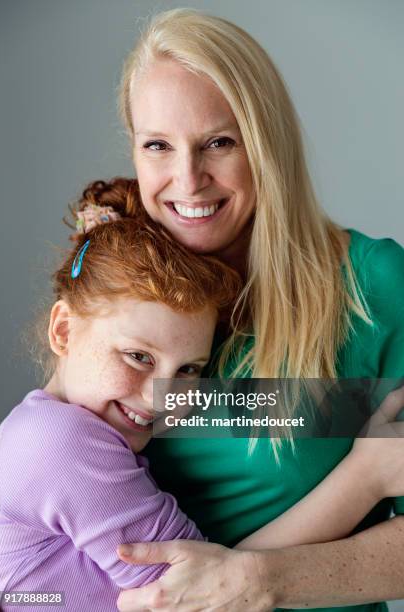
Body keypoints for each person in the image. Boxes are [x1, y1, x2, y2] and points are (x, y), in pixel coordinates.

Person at [112, 9, 404, 612]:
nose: (188, 181)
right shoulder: (113, 296)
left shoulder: (373, 286)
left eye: (220, 142)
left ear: (266, 142)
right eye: (158, 146)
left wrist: (260, 582)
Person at [0, 180, 400, 612]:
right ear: (62, 330)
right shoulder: (63, 442)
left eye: (189, 369)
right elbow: (203, 595)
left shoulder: (58, 430)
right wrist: (365, 479)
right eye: (137, 357)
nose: (160, 397)